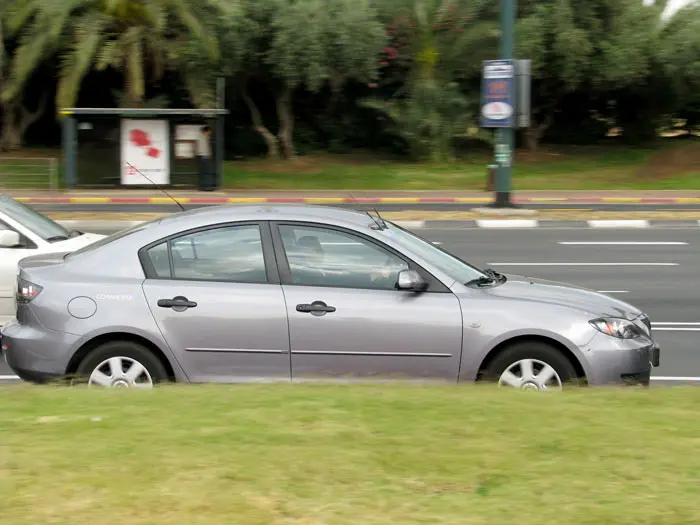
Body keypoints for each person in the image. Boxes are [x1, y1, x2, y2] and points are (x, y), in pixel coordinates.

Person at [196, 125, 214, 191]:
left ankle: (202, 187)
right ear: (206, 131)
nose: (210, 133)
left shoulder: (200, 137)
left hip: (201, 157)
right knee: (207, 172)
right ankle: (207, 187)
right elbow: (205, 149)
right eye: (209, 131)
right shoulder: (204, 137)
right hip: (205, 157)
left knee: (203, 173)